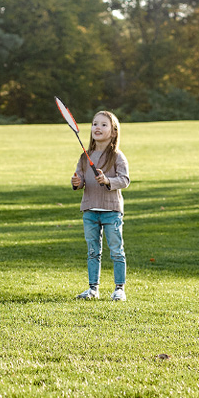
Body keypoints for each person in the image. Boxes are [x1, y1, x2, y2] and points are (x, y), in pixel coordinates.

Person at [70, 111, 131, 301]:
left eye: (104, 125)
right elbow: (80, 182)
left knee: (116, 250)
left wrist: (107, 180)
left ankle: (119, 289)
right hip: (90, 210)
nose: (97, 127)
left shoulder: (117, 156)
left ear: (113, 132)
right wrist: (76, 181)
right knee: (92, 251)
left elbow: (125, 180)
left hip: (111, 211)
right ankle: (93, 289)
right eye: (95, 123)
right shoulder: (84, 156)